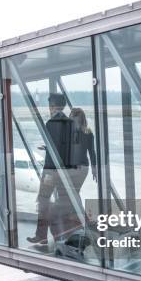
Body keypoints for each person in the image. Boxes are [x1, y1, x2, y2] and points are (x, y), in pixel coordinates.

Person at [27, 93, 74, 245]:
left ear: (53, 106)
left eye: (50, 105)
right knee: (65, 203)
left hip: (51, 170)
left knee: (43, 201)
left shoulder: (51, 123)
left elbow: (55, 146)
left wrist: (48, 149)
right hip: (65, 170)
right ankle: (65, 235)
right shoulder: (70, 123)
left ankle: (41, 235)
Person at [68, 108, 97, 193]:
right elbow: (92, 152)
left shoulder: (73, 132)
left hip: (76, 166)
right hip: (84, 168)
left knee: (72, 194)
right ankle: (77, 206)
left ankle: (77, 206)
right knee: (75, 193)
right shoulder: (88, 132)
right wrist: (93, 168)